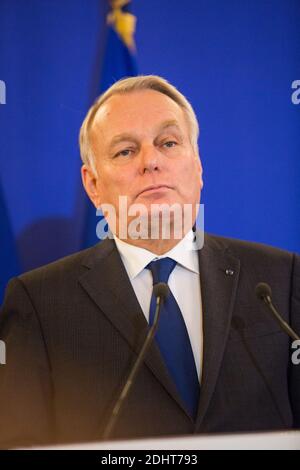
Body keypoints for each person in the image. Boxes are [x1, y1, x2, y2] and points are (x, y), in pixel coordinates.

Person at [0, 75, 299, 448]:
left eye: (168, 142)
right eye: (125, 151)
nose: (151, 161)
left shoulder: (280, 281)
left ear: (198, 166)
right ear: (93, 185)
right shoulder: (39, 303)